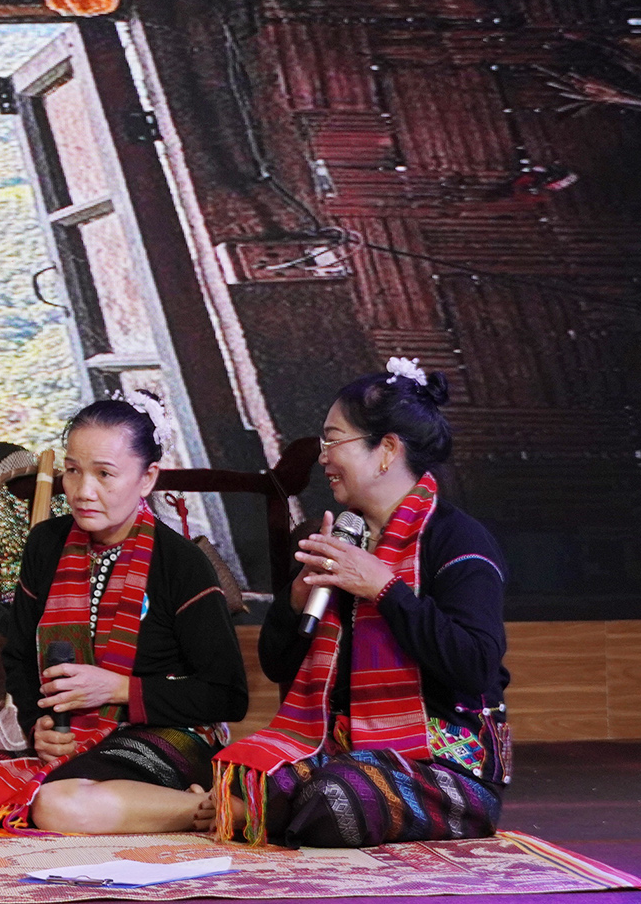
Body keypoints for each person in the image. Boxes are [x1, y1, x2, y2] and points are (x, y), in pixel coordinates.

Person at [215, 358, 512, 847]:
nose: (322, 457)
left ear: (386, 450)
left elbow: (475, 665)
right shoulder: (338, 537)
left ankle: (265, 818)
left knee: (338, 796)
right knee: (251, 776)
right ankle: (263, 812)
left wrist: (385, 589)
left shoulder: (458, 540)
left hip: (442, 767)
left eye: (333, 441)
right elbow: (277, 666)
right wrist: (296, 601)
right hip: (341, 753)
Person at [0, 393, 248, 835]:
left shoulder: (181, 563)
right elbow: (19, 656)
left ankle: (214, 809)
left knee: (57, 802)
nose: (82, 491)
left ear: (148, 478)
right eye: (73, 470)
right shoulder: (46, 544)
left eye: (104, 474)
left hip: (170, 732)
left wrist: (119, 688)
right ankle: (187, 805)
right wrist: (38, 727)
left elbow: (227, 695)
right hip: (77, 735)